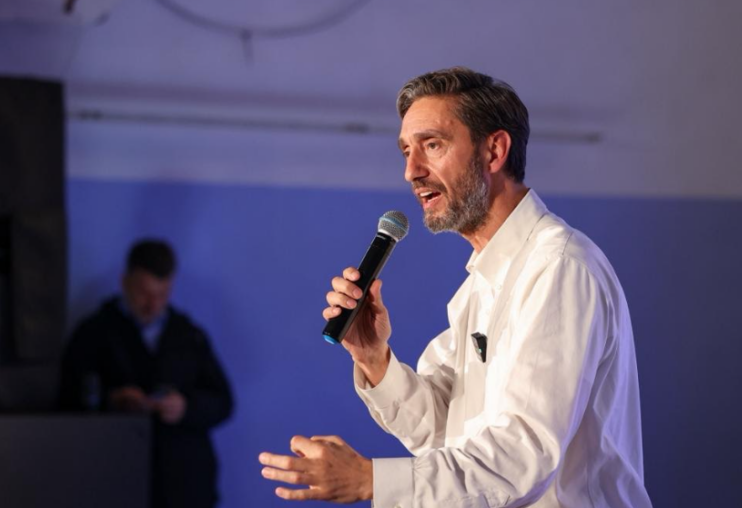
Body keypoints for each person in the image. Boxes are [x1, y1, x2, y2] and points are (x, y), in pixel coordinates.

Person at [259, 67, 652, 507]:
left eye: (432, 145)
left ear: (494, 151)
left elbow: (521, 455)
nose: (411, 171)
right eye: (406, 150)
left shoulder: (559, 268)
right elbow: (443, 432)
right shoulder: (480, 286)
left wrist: (371, 480)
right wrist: (373, 358)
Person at [59, 239, 234, 508]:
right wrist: (112, 401)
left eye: (162, 295)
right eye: (144, 293)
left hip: (184, 484)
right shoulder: (94, 332)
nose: (153, 304)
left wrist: (185, 407)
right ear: (125, 282)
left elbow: (223, 402)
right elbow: (66, 401)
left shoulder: (189, 335)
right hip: (113, 476)